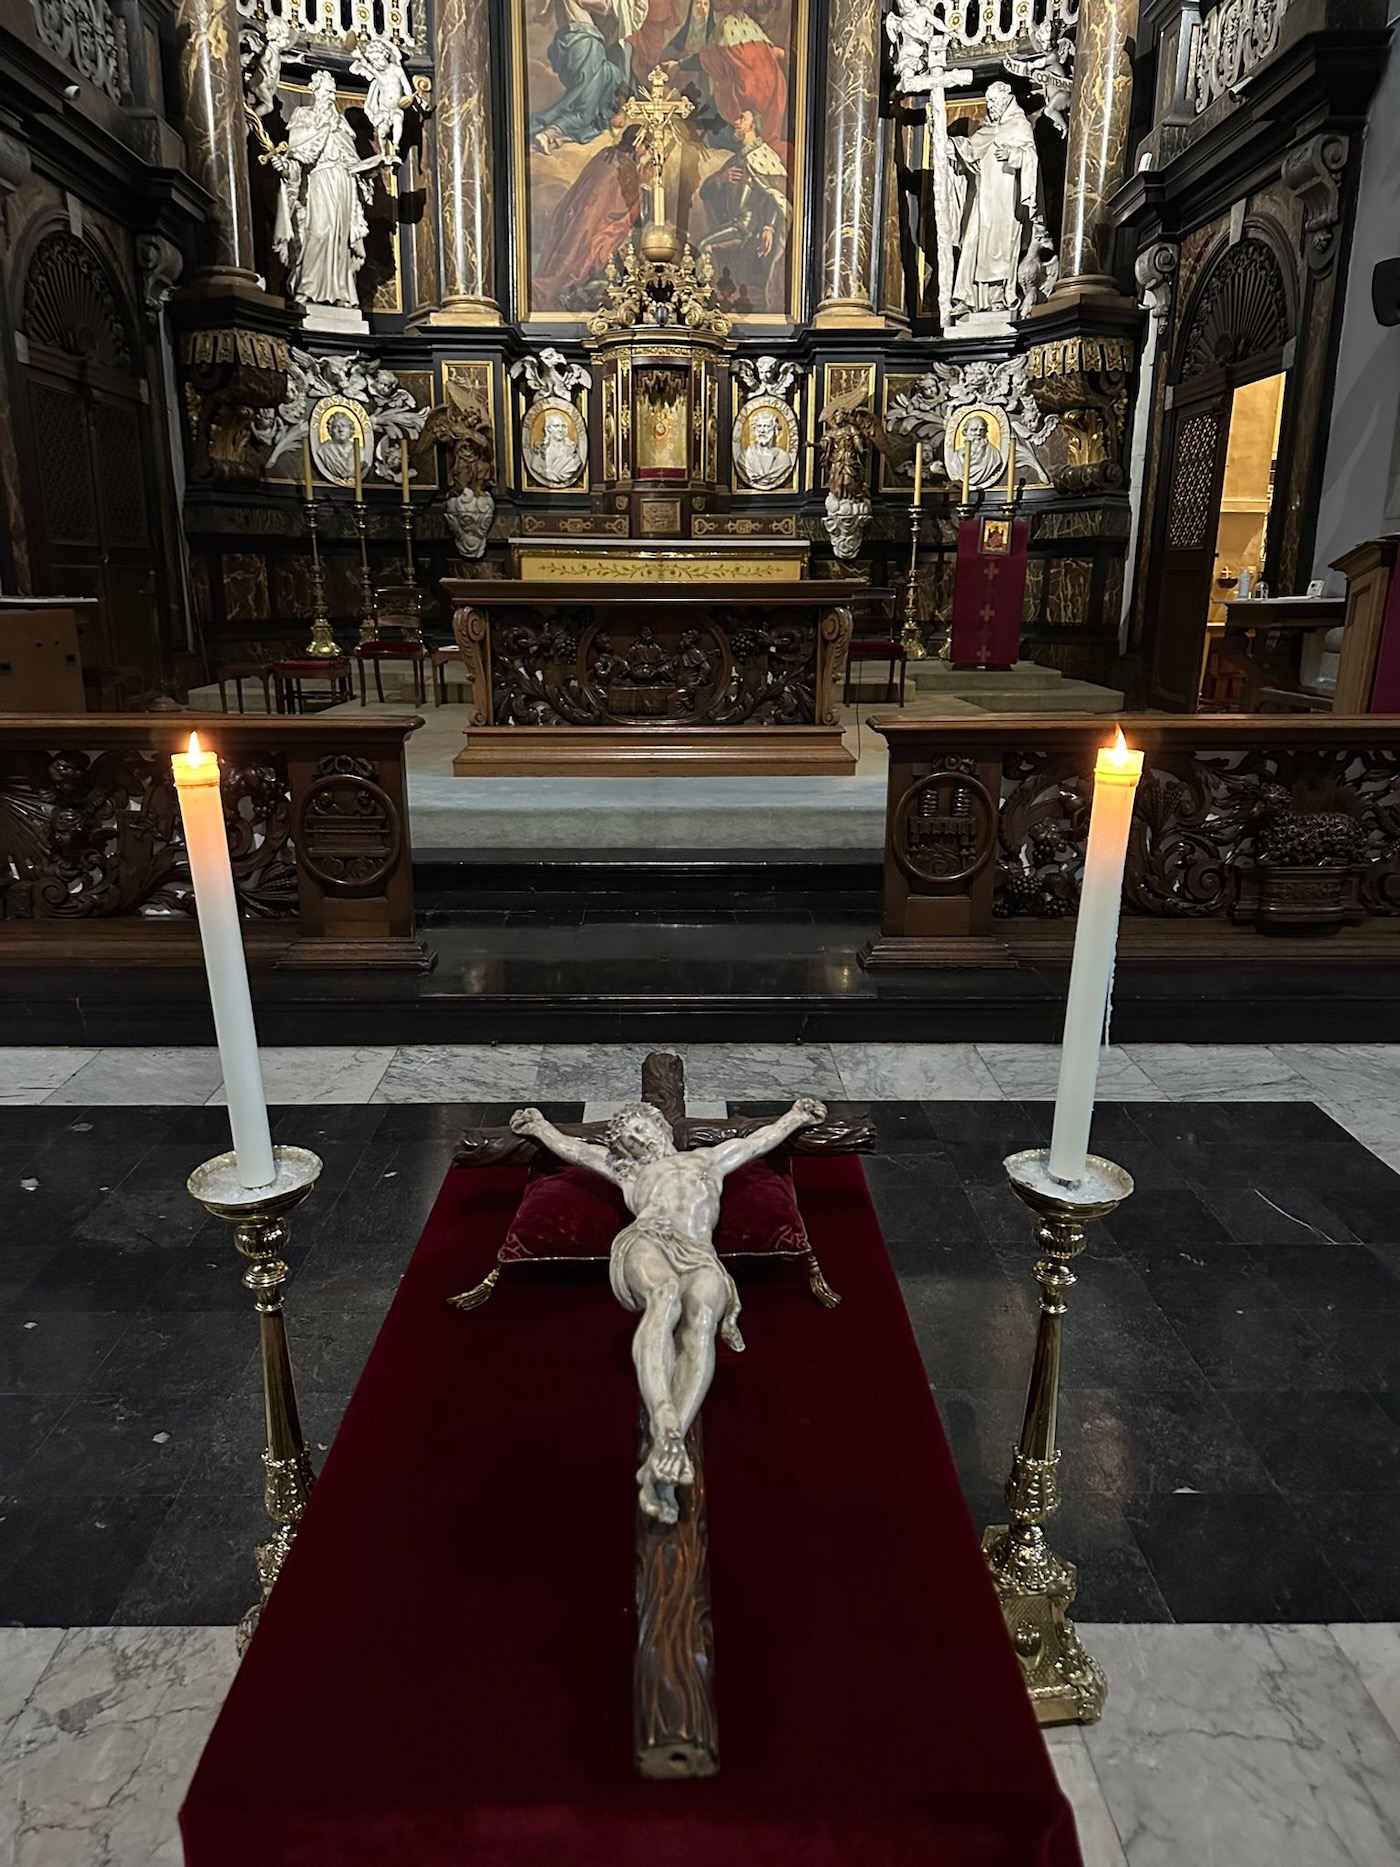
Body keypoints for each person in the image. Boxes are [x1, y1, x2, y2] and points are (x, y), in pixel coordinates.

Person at [509, 1095, 826, 1521]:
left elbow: (757, 1142)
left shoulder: (708, 1159)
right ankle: (664, 1418)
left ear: (660, 1124)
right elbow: (577, 1151)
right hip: (649, 1239)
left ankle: (668, 1443)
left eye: (640, 1129)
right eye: (628, 1140)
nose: (638, 1141)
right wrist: (540, 1127)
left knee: (702, 1319)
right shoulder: (628, 1172)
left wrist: (795, 1117)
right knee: (665, 1295)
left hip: (700, 1253)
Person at [274, 69, 388, 309]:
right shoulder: (304, 116)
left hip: (343, 183)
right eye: (327, 91)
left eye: (333, 92)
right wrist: (285, 168)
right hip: (320, 179)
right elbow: (297, 157)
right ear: (314, 91)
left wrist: (372, 167)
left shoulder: (341, 124)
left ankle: (341, 292)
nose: (331, 96)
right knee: (319, 232)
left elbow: (351, 161)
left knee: (340, 240)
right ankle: (307, 288)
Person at [949, 80, 1039, 320]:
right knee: (973, 243)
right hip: (983, 198)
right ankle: (967, 297)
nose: (990, 106)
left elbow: (1031, 157)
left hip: (1005, 199)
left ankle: (997, 297)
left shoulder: (1019, 125)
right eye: (988, 101)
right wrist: (949, 144)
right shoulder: (989, 129)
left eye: (993, 100)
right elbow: (971, 150)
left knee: (999, 248)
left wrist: (1013, 154)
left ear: (1007, 97)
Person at [698, 108, 789, 307]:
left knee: (704, 244)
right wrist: (721, 179)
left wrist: (769, 227)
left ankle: (703, 301)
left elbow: (778, 197)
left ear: (752, 126)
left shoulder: (764, 157)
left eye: (742, 119)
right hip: (734, 222)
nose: (736, 122)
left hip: (747, 226)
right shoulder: (736, 160)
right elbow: (705, 191)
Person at [735, 405, 795, 487]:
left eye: (767, 426)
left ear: (774, 430)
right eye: (759, 426)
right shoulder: (745, 457)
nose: (762, 430)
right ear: (754, 429)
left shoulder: (783, 458)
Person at [525, 408, 585, 485]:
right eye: (556, 426)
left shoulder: (573, 454)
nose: (560, 430)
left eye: (563, 426)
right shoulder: (539, 452)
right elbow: (535, 466)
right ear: (548, 429)